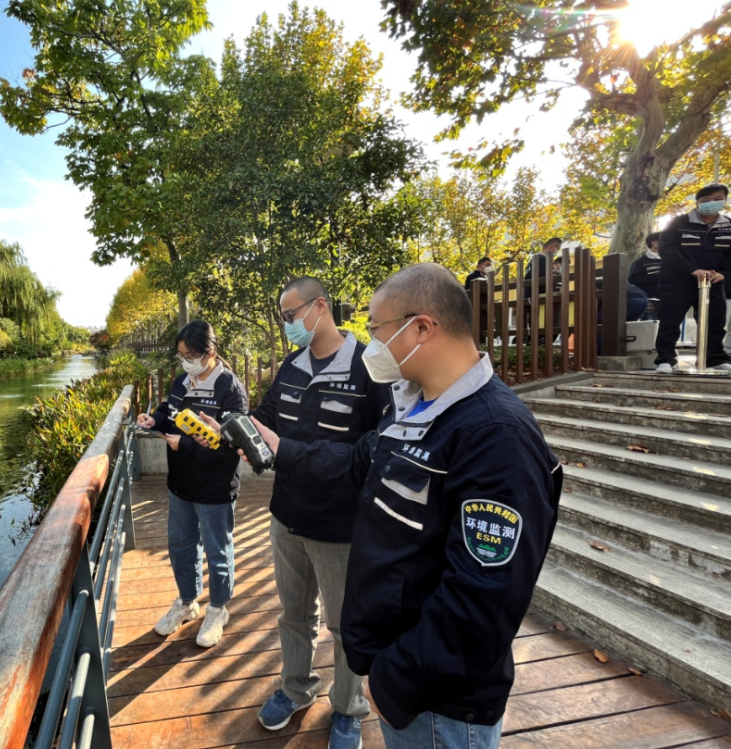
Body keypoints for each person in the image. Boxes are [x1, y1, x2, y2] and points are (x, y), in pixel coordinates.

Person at [237, 264, 562, 749]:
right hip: (400, 678)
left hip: (437, 702)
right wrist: (282, 450)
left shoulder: (496, 437)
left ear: (422, 328)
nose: (373, 344)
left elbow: (481, 599)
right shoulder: (412, 409)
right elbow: (355, 460)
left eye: (377, 329)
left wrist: (393, 681)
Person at [251, 277, 387, 749]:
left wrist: (285, 448)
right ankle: (295, 688)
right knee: (293, 615)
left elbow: (372, 453)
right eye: (284, 318)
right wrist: (235, 431)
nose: (288, 325)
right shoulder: (291, 366)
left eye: (291, 315)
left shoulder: (370, 369)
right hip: (286, 516)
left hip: (339, 526)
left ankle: (348, 707)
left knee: (343, 624)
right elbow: (265, 418)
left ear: (320, 307)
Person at [136, 320, 249, 648]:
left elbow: (230, 446)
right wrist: (153, 419)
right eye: (181, 355)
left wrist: (182, 445)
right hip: (180, 484)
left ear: (209, 353)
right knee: (181, 547)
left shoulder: (230, 388)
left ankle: (218, 609)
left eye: (190, 355)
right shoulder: (182, 382)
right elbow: (167, 411)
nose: (185, 361)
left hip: (214, 487)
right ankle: (187, 602)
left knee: (217, 550)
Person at [654, 184, 731, 373]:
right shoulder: (678, 222)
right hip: (677, 281)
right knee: (670, 320)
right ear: (697, 203)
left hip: (713, 281)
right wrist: (692, 270)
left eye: (717, 199)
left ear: (725, 200)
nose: (711, 204)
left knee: (714, 321)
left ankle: (714, 358)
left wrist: (723, 273)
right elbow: (668, 250)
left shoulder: (728, 225)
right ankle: (666, 359)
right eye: (706, 200)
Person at [629, 232, 662, 321]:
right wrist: (656, 277)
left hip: (668, 302)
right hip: (650, 302)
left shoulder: (669, 260)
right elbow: (633, 281)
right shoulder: (640, 262)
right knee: (649, 331)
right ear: (654, 243)